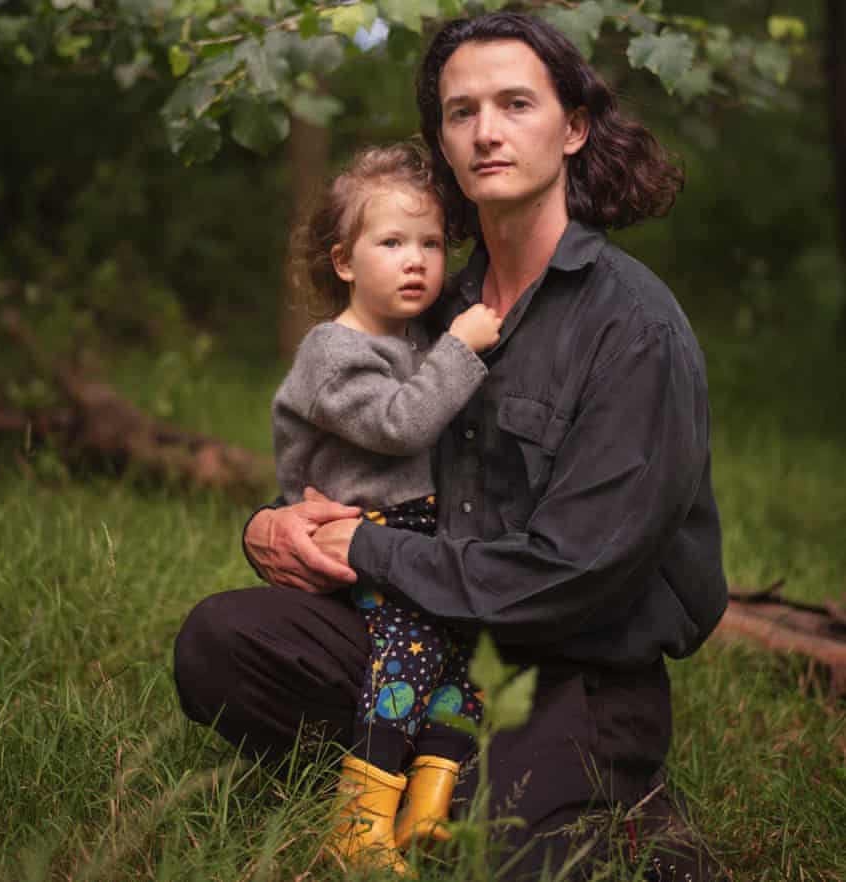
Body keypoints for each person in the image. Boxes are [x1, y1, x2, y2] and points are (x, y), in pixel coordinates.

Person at [174, 11, 729, 881]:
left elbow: (573, 575)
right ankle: (411, 761)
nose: (487, 131)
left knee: (491, 846)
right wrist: (273, 526)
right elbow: (350, 460)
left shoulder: (633, 329)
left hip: (568, 666)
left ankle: (619, 803)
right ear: (441, 139)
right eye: (461, 111)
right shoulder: (428, 298)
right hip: (423, 638)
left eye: (515, 104)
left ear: (574, 127)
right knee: (221, 643)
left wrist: (367, 547)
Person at [271, 141, 502, 872]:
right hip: (357, 537)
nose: (417, 261)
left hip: (417, 537)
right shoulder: (332, 353)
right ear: (344, 261)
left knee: (471, 654)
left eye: (432, 243)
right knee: (414, 647)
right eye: (392, 242)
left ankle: (429, 805)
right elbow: (400, 424)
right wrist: (463, 348)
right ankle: (356, 818)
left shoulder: (414, 340)